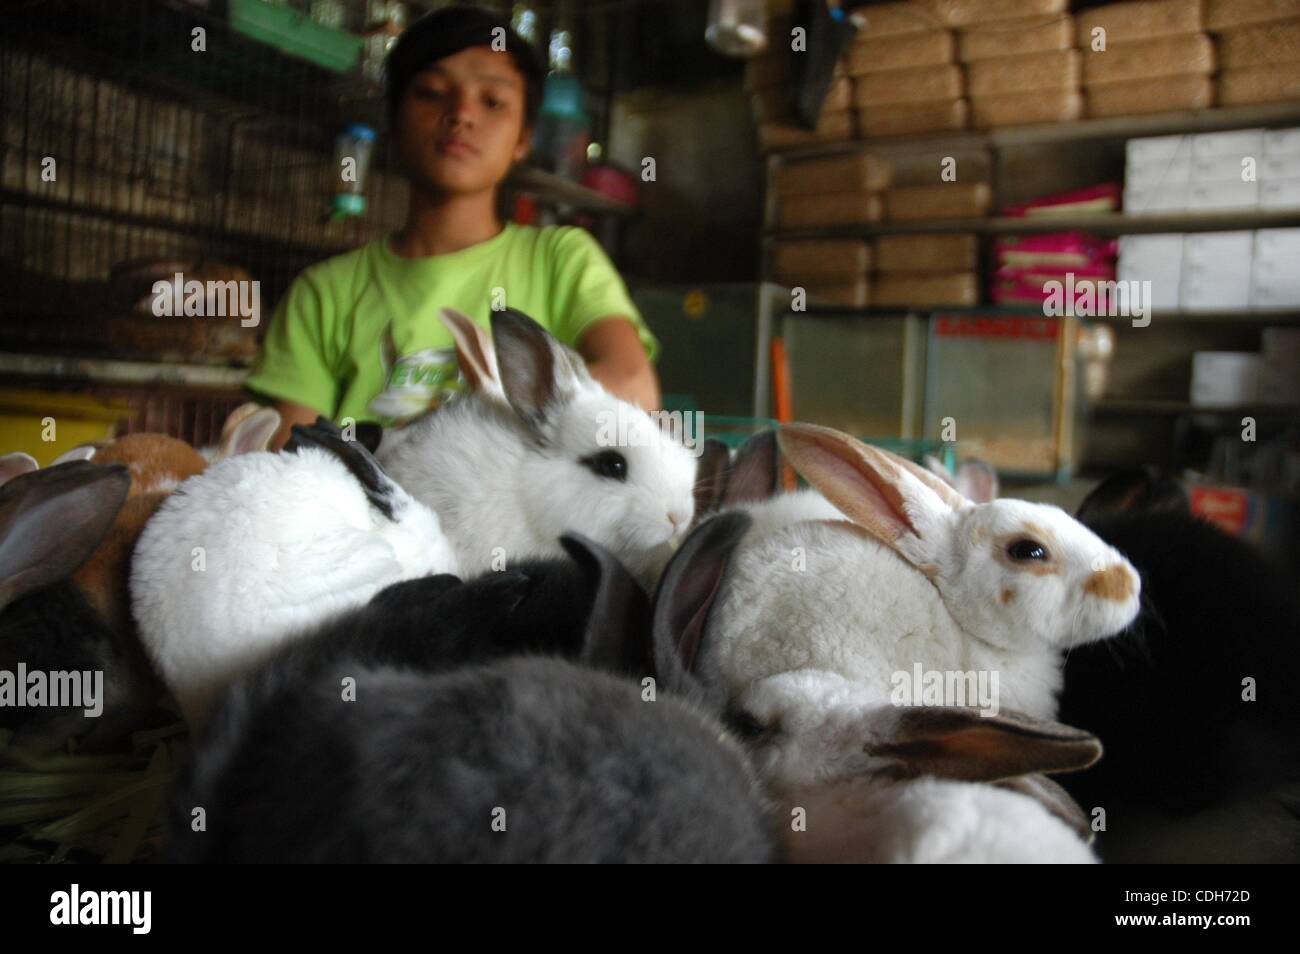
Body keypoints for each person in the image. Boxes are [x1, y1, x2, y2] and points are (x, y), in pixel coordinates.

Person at [244, 7, 661, 450]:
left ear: (523, 137)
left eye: (492, 101)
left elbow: (633, 384)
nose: (461, 113)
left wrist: (457, 433)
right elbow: (285, 460)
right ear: (394, 119)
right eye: (431, 92)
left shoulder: (561, 259)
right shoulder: (323, 294)